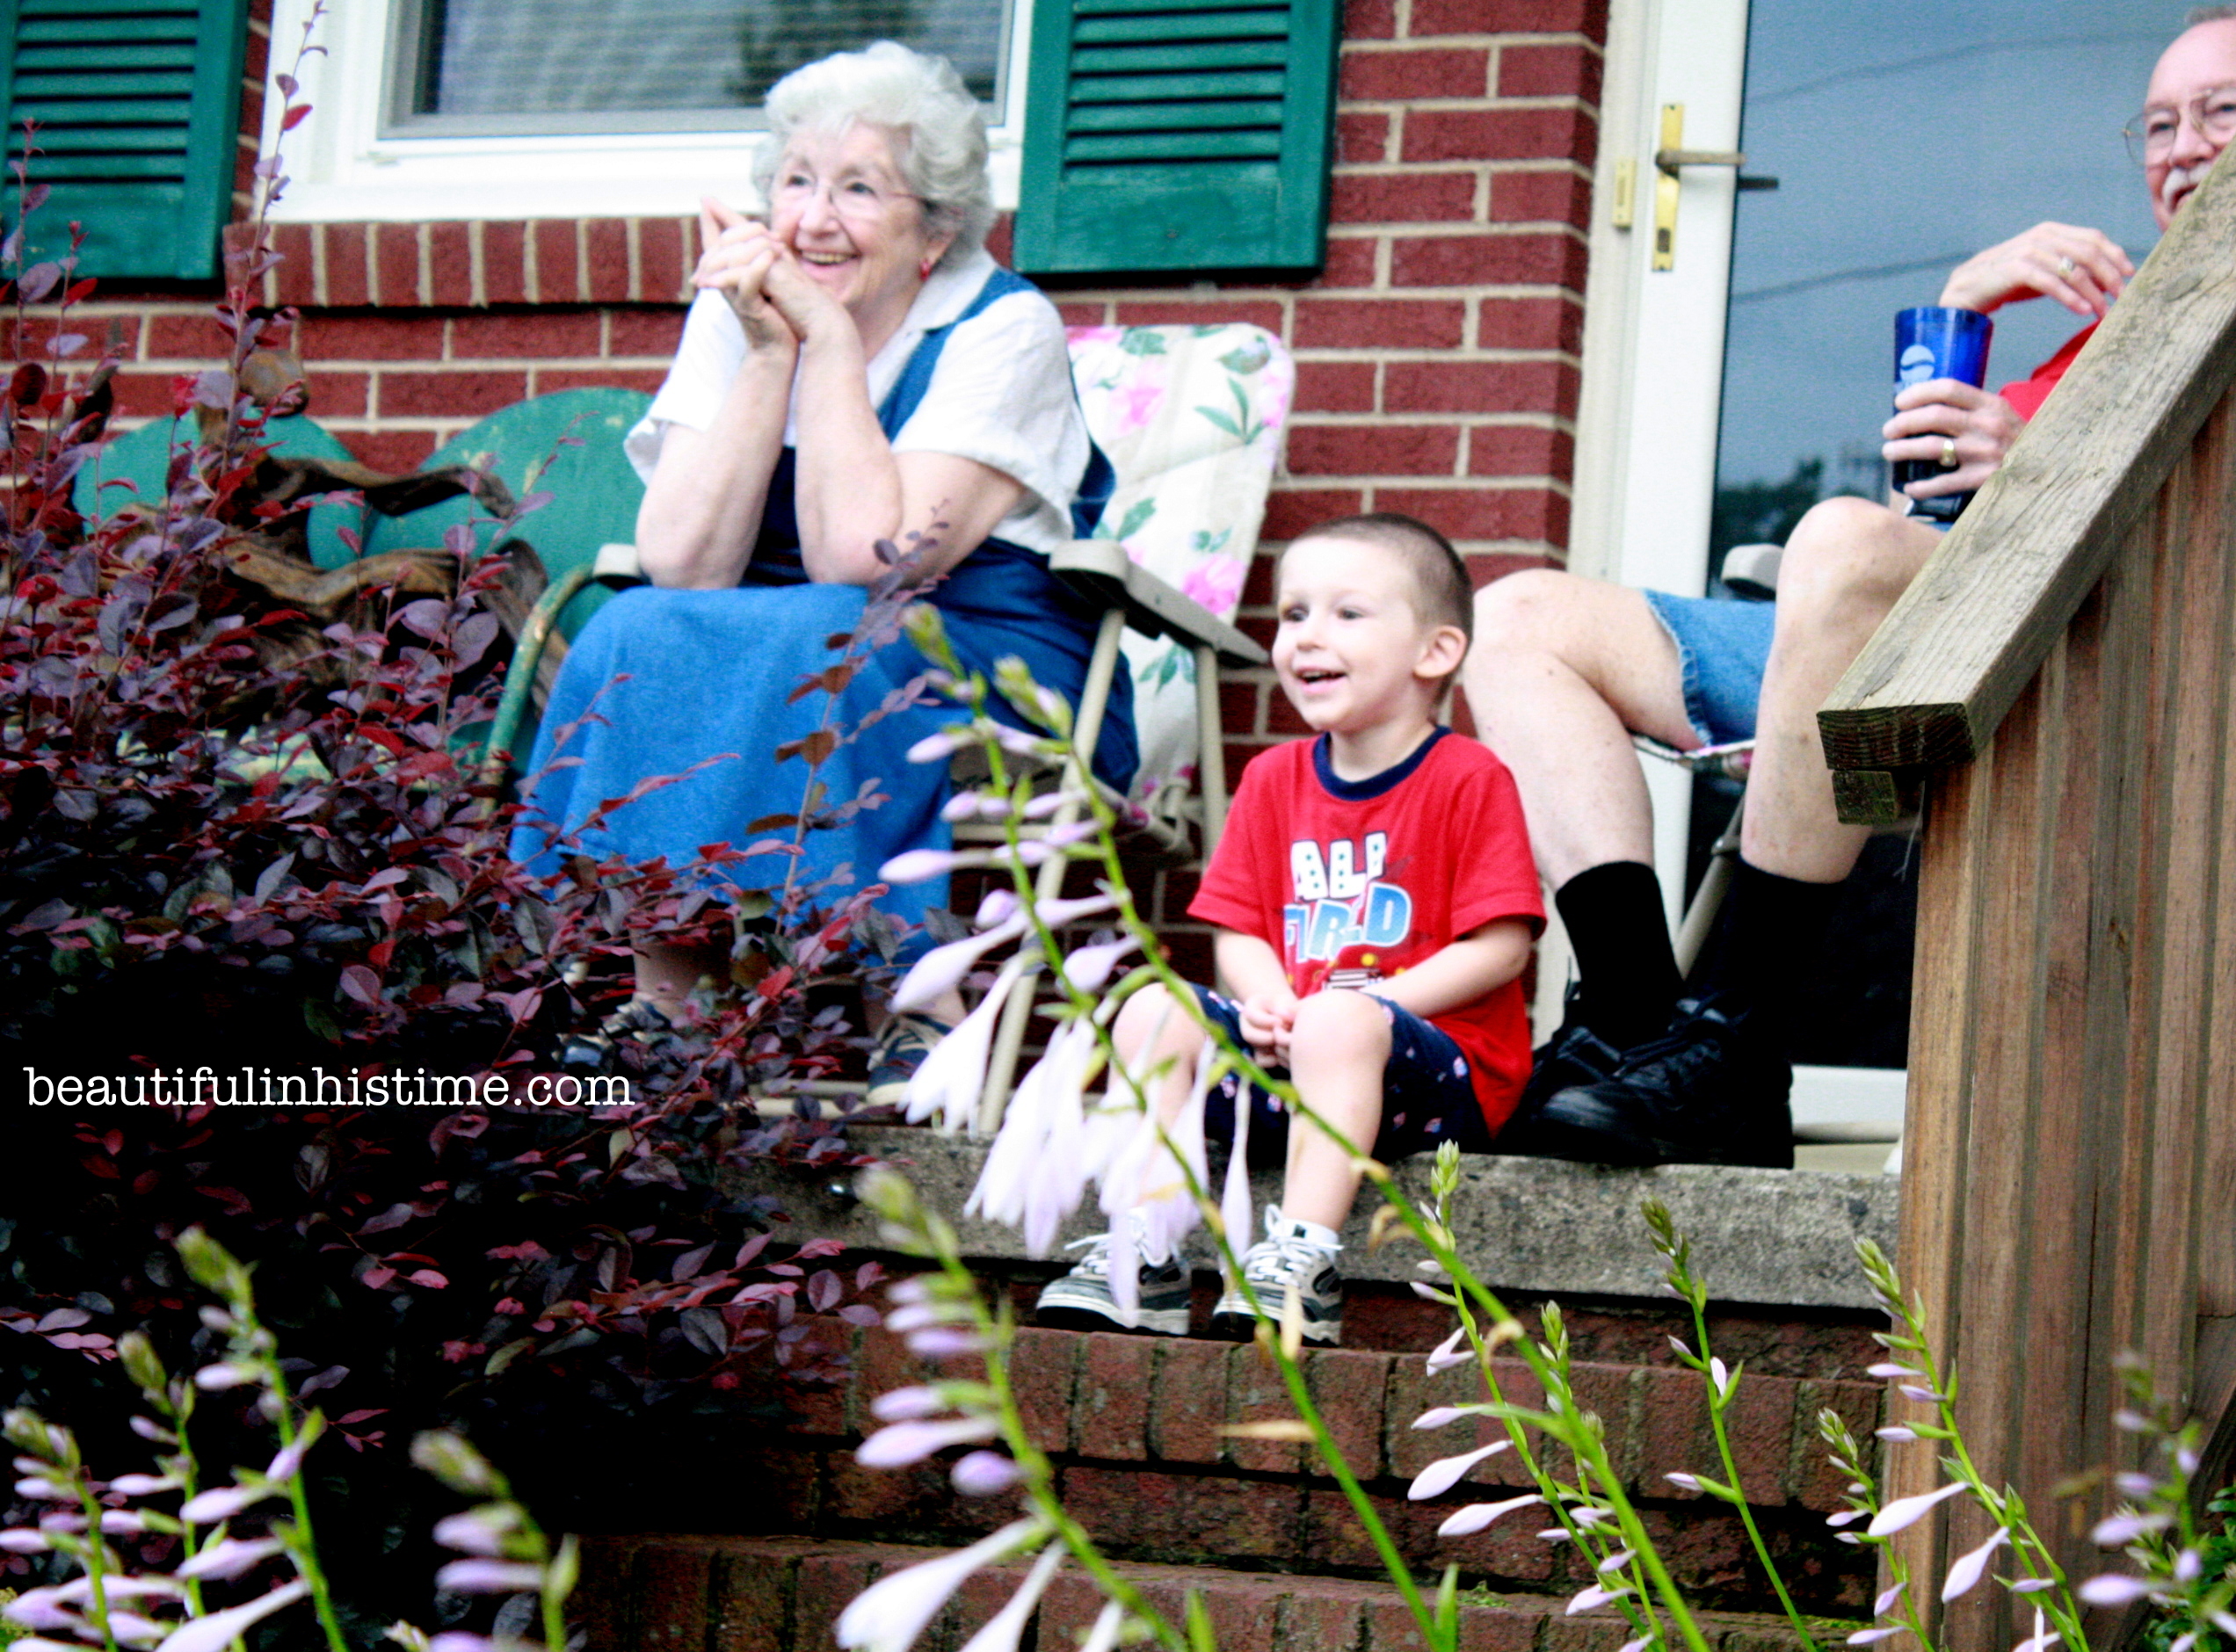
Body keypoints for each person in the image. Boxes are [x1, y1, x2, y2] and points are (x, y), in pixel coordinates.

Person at [1464, 6, 2236, 1166]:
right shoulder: (2121, 323)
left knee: (1844, 540)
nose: (2182, 147)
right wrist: (1963, 302)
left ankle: (1737, 1040)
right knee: (1516, 618)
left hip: (2074, 666)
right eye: (2159, 124)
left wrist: (2034, 477)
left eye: (2225, 111)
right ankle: (1640, 1026)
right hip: (1918, 639)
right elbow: (1929, 526)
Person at [514, 42, 1133, 1087]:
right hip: (795, 636)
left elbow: (869, 559)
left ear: (934, 228)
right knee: (632, 625)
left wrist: (828, 347)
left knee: (822, 627)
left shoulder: (1001, 325)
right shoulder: (743, 312)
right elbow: (681, 560)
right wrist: (767, 352)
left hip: (972, 646)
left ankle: (914, 990)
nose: (811, 219)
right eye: (795, 182)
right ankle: (670, 1001)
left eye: (858, 188)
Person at [1034, 515, 1543, 1344]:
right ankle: (1145, 1249)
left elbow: (1501, 947)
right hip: (1294, 1061)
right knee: (1153, 1008)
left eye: (1348, 614)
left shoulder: (1468, 777)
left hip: (1435, 1083)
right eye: (1294, 613)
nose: (1307, 635)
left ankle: (1301, 1262)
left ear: (1436, 652)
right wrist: (1271, 1002)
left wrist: (1364, 1006)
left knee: (1341, 1017)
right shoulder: (1273, 779)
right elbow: (1238, 930)